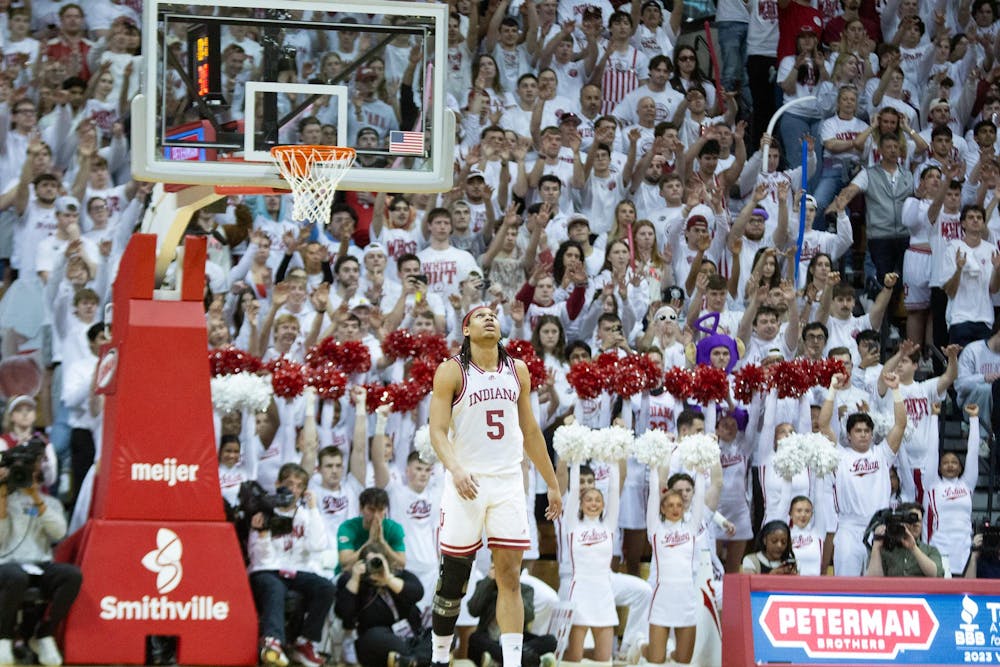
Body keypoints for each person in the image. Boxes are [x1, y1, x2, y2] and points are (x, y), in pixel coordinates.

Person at [427, 306, 562, 667]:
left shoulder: (517, 370)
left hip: (506, 483)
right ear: (466, 330)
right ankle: (440, 656)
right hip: (465, 481)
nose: (489, 318)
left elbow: (531, 432)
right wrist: (455, 468)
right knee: (454, 578)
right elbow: (437, 430)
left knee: (510, 576)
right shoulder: (451, 370)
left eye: (493, 315)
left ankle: (513, 661)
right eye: (479, 315)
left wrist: (551, 483)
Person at [0, 441, 82, 667]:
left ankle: (43, 633)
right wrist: (3, 496)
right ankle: (4, 637)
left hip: (40, 563)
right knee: (16, 576)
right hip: (6, 565)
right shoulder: (4, 500)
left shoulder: (50, 503)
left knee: (71, 575)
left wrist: (36, 498)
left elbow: (59, 532)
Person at [247, 463, 333, 667]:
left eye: (299, 486)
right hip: (267, 570)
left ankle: (304, 643)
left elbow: (318, 546)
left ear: (304, 490)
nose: (294, 489)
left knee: (326, 587)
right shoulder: (264, 512)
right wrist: (263, 534)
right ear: (278, 484)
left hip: (297, 570)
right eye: (289, 484)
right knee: (275, 587)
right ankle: (272, 643)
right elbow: (260, 559)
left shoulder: (305, 514)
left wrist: (313, 509)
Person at [334, 543, 429, 667]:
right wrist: (355, 578)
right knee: (374, 636)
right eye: (370, 562)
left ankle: (411, 661)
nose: (375, 566)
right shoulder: (355, 582)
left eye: (378, 561)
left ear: (387, 562)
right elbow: (344, 614)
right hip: (379, 641)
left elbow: (417, 593)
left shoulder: (399, 575)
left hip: (411, 637)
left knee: (445, 634)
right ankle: (419, 659)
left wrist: (388, 580)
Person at [466, 560, 557, 667]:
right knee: (475, 638)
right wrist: (489, 581)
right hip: (490, 639)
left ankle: (499, 660)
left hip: (516, 639)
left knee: (550, 640)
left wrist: (513, 590)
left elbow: (529, 616)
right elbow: (473, 610)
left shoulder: (526, 589)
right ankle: (528, 659)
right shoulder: (485, 585)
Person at [866, 502, 945, 577]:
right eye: (912, 520)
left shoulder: (930, 550)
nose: (916, 524)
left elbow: (936, 574)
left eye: (919, 521)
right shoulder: (885, 550)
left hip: (921, 591)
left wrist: (914, 548)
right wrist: (876, 546)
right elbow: (873, 581)